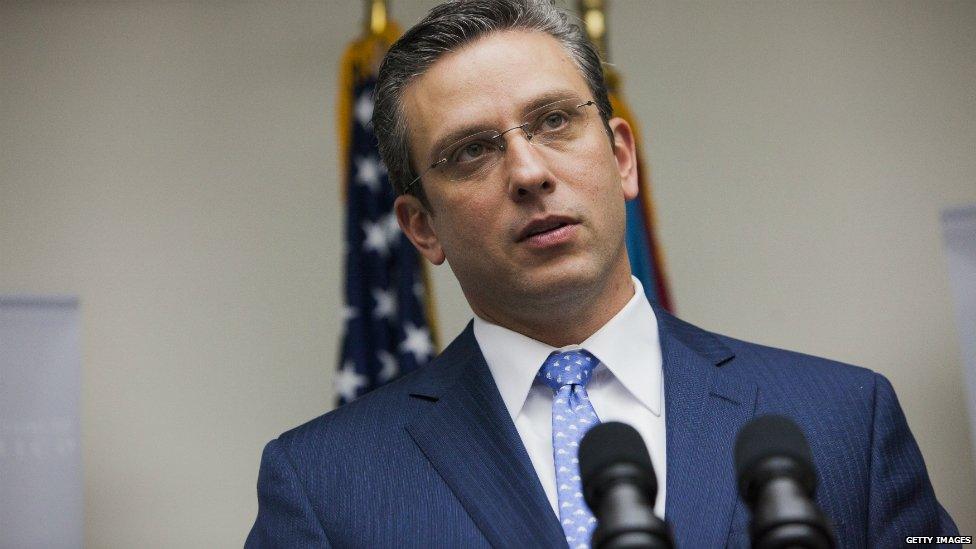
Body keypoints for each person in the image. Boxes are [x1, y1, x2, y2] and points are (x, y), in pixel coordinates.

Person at [245, 1, 958, 547]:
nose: (528, 172)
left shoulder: (842, 417)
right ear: (421, 225)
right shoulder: (324, 486)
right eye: (470, 152)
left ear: (621, 156)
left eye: (554, 121)